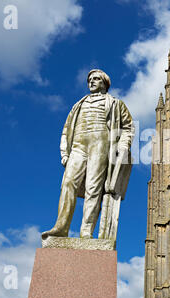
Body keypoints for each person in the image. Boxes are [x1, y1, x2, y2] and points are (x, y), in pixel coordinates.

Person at [42, 69, 134, 240]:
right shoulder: (78, 105)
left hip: (101, 144)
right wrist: (64, 153)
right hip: (78, 145)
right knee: (68, 183)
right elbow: (66, 129)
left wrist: (122, 146)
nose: (91, 82)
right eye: (90, 79)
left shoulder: (115, 103)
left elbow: (128, 127)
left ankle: (86, 231)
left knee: (94, 188)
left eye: (96, 79)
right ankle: (61, 227)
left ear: (105, 83)